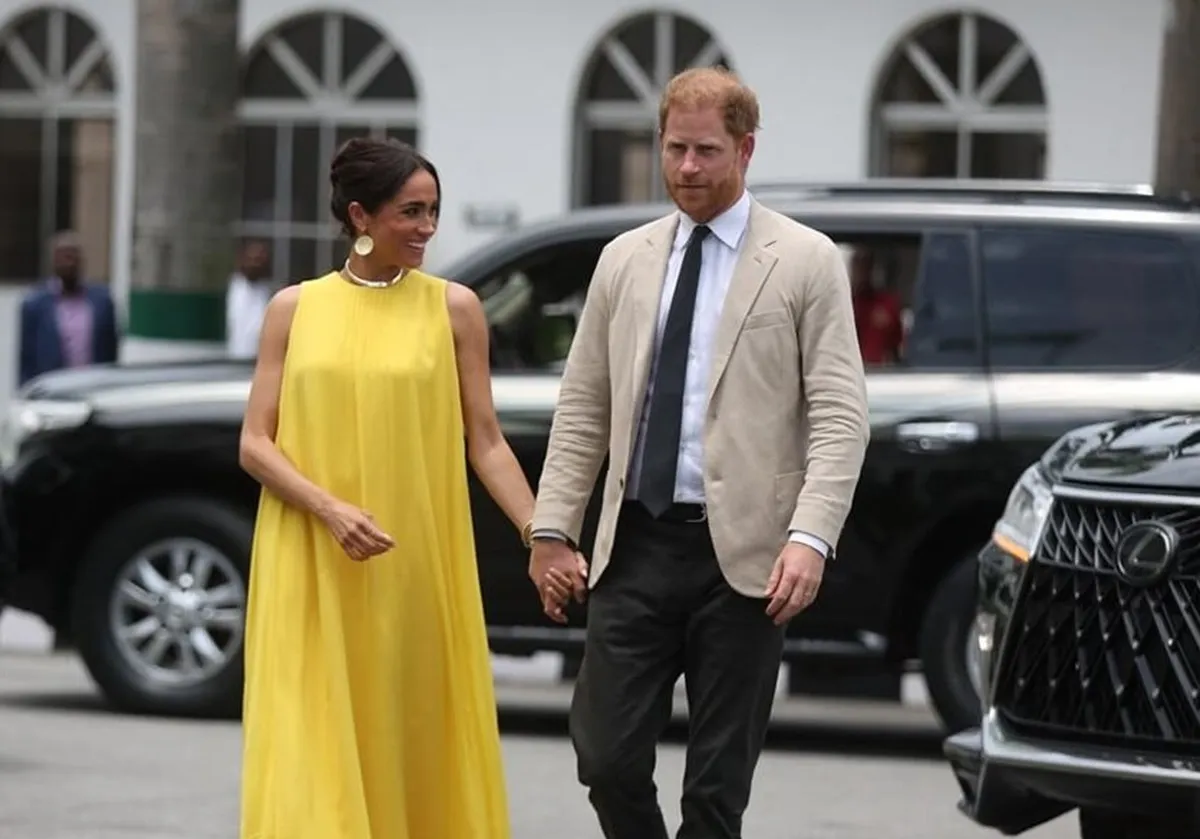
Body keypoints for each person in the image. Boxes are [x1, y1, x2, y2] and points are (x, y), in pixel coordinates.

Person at [529, 67, 870, 839]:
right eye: (675, 148)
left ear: (746, 149)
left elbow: (842, 414)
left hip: (745, 559)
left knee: (716, 792)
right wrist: (553, 528)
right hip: (635, 544)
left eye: (706, 151)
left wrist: (810, 538)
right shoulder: (625, 258)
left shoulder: (806, 259)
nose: (686, 167)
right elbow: (584, 404)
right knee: (606, 758)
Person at [237, 137, 558, 838]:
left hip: (413, 562)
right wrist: (328, 508)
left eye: (434, 210)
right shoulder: (293, 309)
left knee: (409, 733)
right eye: (411, 211)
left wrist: (543, 534)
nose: (427, 227)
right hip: (310, 558)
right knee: (310, 745)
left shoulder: (456, 310)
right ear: (361, 215)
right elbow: (255, 443)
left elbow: (487, 442)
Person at [18, 231, 119, 385]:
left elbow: (111, 351)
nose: (69, 263)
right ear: (53, 261)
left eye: (73, 257)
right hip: (52, 387)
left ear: (81, 261)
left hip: (92, 386)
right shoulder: (35, 305)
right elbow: (26, 357)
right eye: (63, 257)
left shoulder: (102, 302)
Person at [224, 238, 274, 359]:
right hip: (235, 357)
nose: (254, 263)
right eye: (251, 259)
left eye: (259, 260)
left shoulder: (269, 292)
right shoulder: (236, 288)